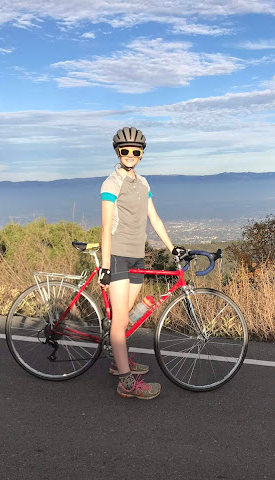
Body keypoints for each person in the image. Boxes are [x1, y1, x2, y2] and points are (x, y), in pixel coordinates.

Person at [99, 126, 186, 400]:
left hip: (137, 255)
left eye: (135, 152)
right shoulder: (111, 184)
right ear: (117, 152)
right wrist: (105, 266)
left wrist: (172, 248)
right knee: (120, 320)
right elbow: (105, 228)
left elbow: (154, 218)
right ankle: (126, 382)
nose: (130, 155)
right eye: (125, 151)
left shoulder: (144, 183)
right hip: (117, 256)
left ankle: (118, 360)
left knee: (123, 317)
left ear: (141, 155)